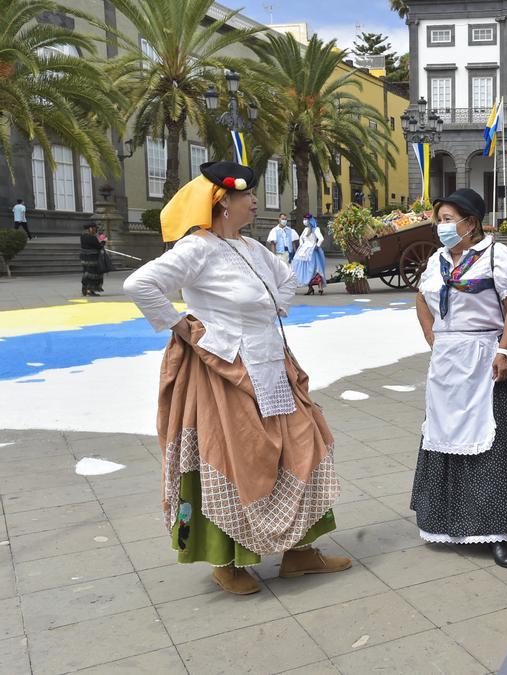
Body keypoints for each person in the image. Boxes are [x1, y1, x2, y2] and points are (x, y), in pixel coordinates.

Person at [123, 161, 349, 596]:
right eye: (247, 196)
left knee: (300, 447)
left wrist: (272, 310)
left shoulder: (252, 247)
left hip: (272, 365)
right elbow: (140, 284)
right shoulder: (197, 249)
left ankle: (299, 552)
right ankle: (228, 561)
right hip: (223, 371)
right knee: (233, 459)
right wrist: (180, 325)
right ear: (223, 202)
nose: (253, 203)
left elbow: (286, 280)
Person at [411, 189, 507, 568]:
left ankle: (499, 530)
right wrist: (434, 337)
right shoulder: (437, 260)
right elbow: (420, 298)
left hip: (485, 359)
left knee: (494, 441)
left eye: (448, 219)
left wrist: (505, 350)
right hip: (447, 364)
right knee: (444, 437)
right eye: (439, 220)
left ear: (471, 222)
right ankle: (447, 522)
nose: (442, 227)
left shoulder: (496, 255)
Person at [292, 214, 327, 295]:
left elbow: (321, 239)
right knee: (304, 268)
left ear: (310, 220)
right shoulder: (305, 229)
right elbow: (301, 238)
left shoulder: (316, 229)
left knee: (315, 268)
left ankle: (320, 287)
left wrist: (317, 246)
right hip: (304, 250)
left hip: (312, 250)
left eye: (306, 219)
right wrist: (301, 245)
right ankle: (310, 287)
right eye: (304, 219)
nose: (304, 221)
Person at [80, 223, 105, 296]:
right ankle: (91, 290)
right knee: (94, 274)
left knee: (87, 272)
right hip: (92, 258)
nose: (96, 230)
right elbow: (99, 246)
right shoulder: (92, 237)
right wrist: (102, 238)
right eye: (95, 229)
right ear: (90, 228)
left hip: (84, 258)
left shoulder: (82, 236)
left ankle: (84, 286)